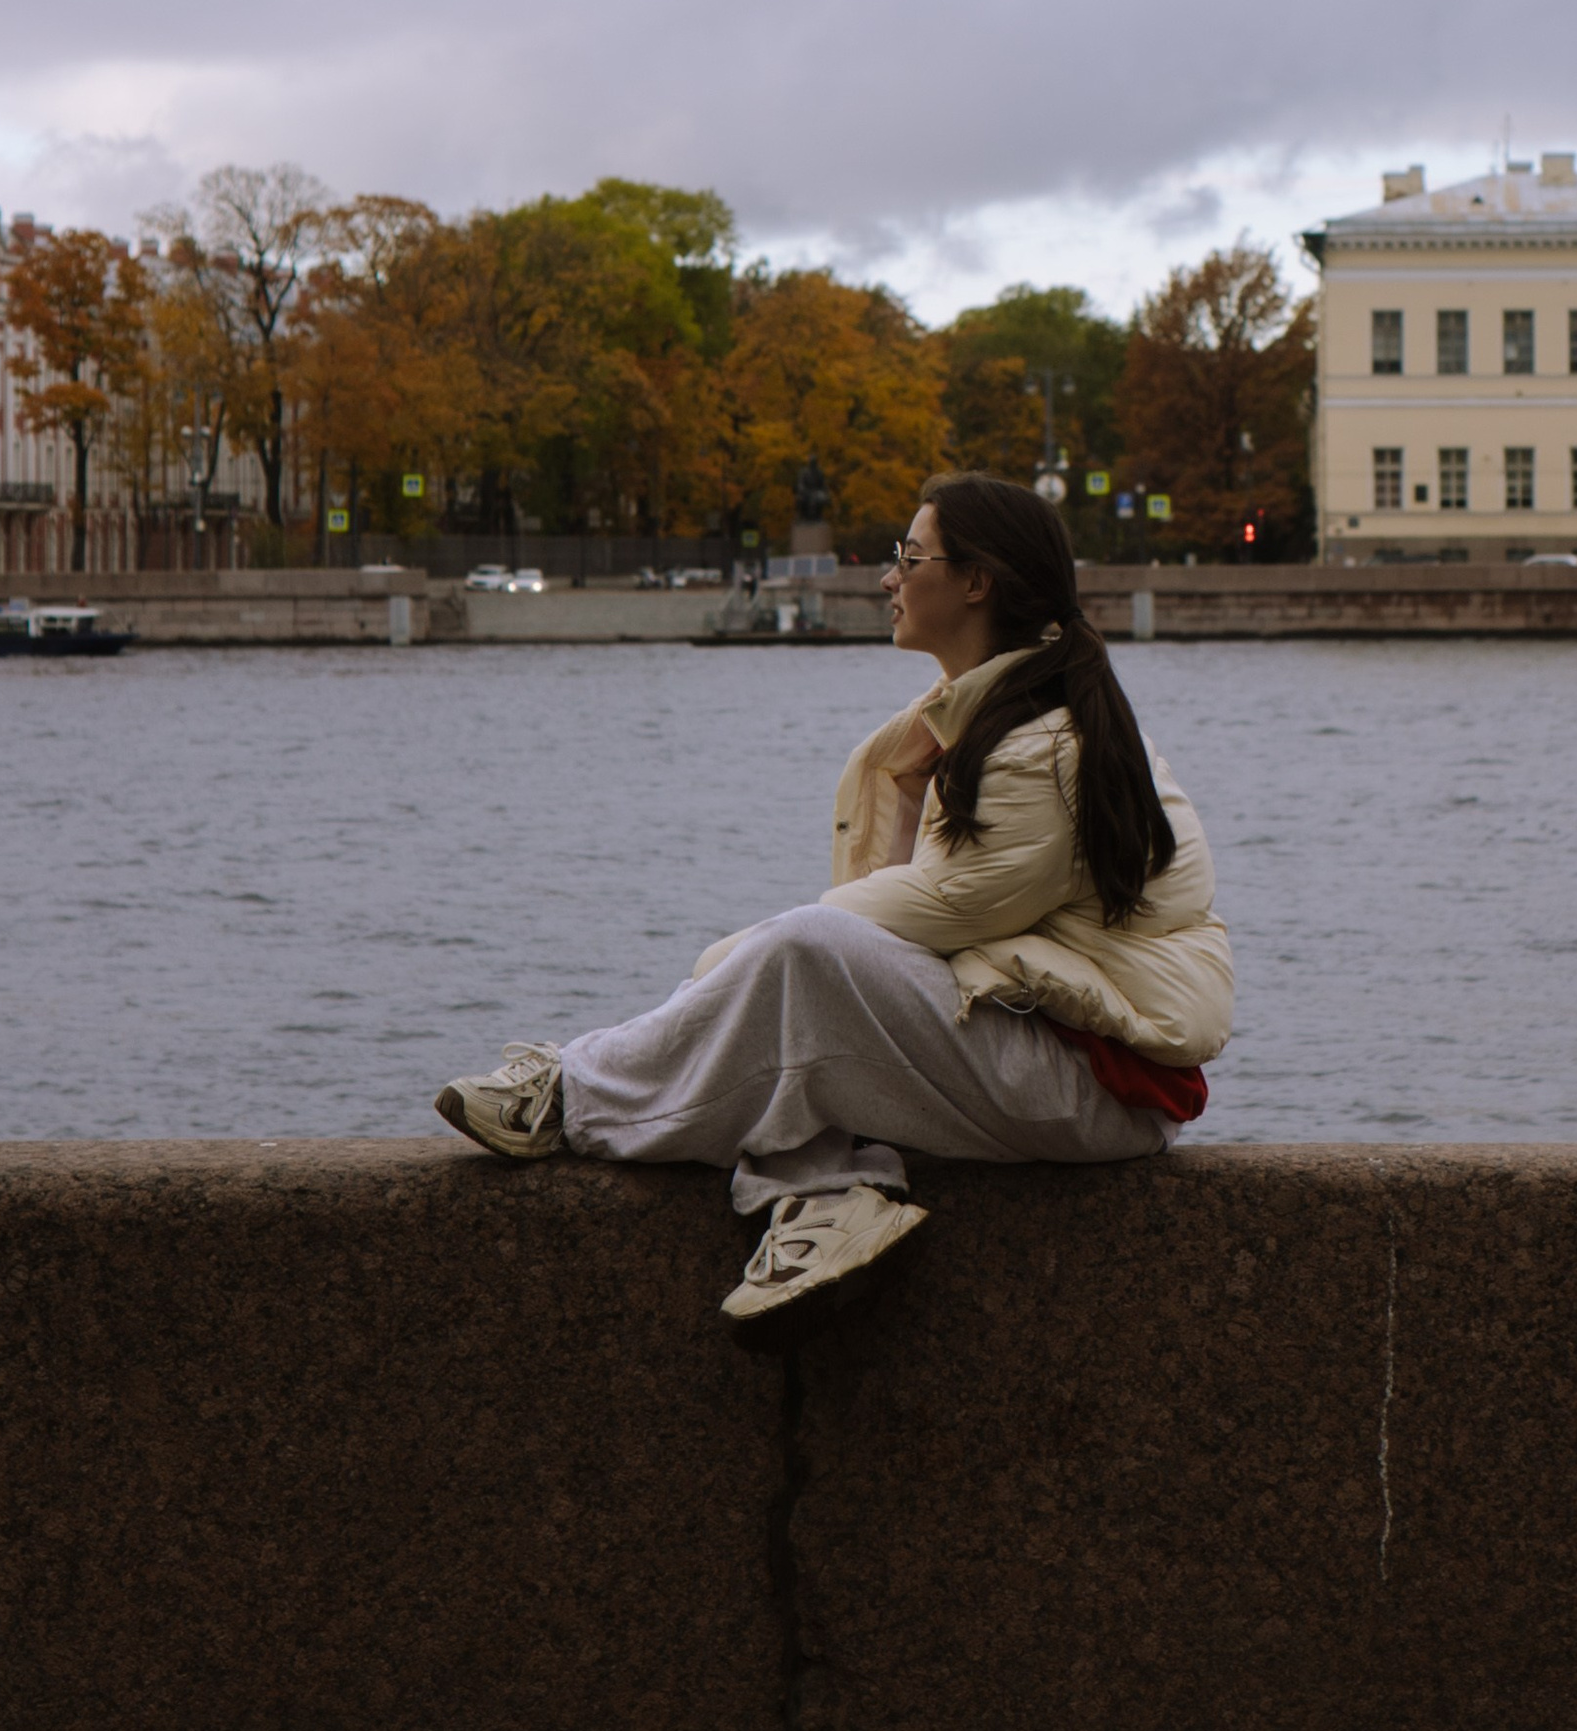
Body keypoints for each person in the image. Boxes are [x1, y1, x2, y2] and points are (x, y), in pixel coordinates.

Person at [431, 474, 1231, 1317]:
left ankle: (568, 1095)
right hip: (1057, 1055)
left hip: (1098, 1089)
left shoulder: (1038, 748)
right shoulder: (996, 721)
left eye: (909, 557)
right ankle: (825, 1198)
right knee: (801, 996)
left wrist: (735, 961)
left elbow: (946, 915)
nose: (889, 578)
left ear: (975, 581)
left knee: (803, 959)